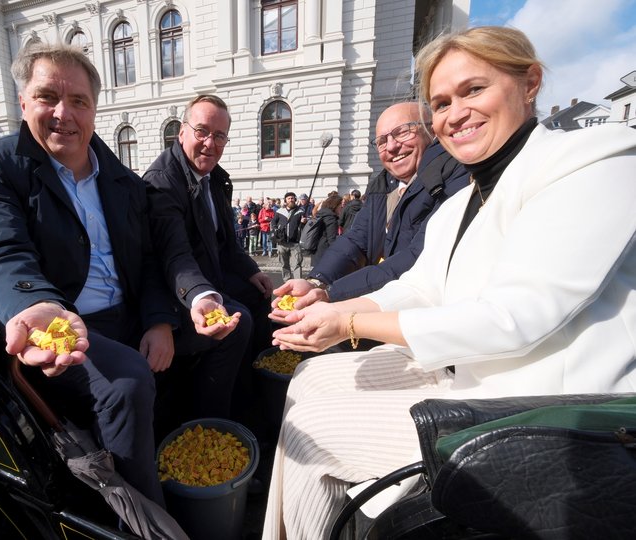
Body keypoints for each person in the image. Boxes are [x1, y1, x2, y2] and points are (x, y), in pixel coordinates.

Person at [263, 26, 636, 539]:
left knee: (312, 433)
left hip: (547, 406)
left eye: (473, 90)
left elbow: (515, 317)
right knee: (308, 377)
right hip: (470, 371)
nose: (455, 113)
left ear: (530, 83)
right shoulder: (462, 200)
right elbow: (419, 286)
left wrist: (347, 323)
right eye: (441, 103)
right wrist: (327, 303)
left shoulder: (592, 159)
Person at [0, 43, 175, 508]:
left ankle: (189, 455)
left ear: (94, 109)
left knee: (226, 328)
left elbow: (148, 260)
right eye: (47, 97)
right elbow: (0, 250)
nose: (64, 114)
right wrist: (38, 305)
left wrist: (160, 321)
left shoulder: (122, 179)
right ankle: (145, 520)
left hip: (125, 313)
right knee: (127, 381)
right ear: (23, 102)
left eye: (78, 101)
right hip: (63, 319)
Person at [272, 102, 469, 320]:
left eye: (402, 132)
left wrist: (331, 293)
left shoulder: (455, 171)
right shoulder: (382, 184)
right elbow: (357, 240)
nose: (391, 147)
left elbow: (419, 255)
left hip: (430, 315)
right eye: (382, 141)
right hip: (388, 306)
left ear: (431, 130)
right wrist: (317, 281)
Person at [143, 94, 273, 421]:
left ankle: (252, 387)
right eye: (201, 131)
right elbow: (174, 254)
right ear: (181, 132)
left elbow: (226, 242)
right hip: (175, 291)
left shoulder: (213, 178)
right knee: (238, 322)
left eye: (219, 136)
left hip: (209, 277)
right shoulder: (162, 181)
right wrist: (202, 295)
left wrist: (251, 270)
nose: (209, 144)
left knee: (261, 295)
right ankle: (212, 421)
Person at [271, 192, 305, 281]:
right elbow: (273, 222)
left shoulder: (300, 211)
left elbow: (304, 227)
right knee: (284, 264)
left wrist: (303, 222)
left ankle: (298, 282)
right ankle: (287, 281)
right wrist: (275, 229)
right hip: (282, 242)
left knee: (297, 264)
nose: (291, 200)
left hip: (295, 243)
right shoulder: (280, 211)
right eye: (289, 198)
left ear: (295, 199)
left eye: (292, 198)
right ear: (285, 200)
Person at [309, 193, 342, 267]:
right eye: (340, 206)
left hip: (316, 249)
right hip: (325, 251)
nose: (342, 208)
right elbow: (332, 239)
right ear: (335, 205)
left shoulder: (321, 214)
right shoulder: (331, 218)